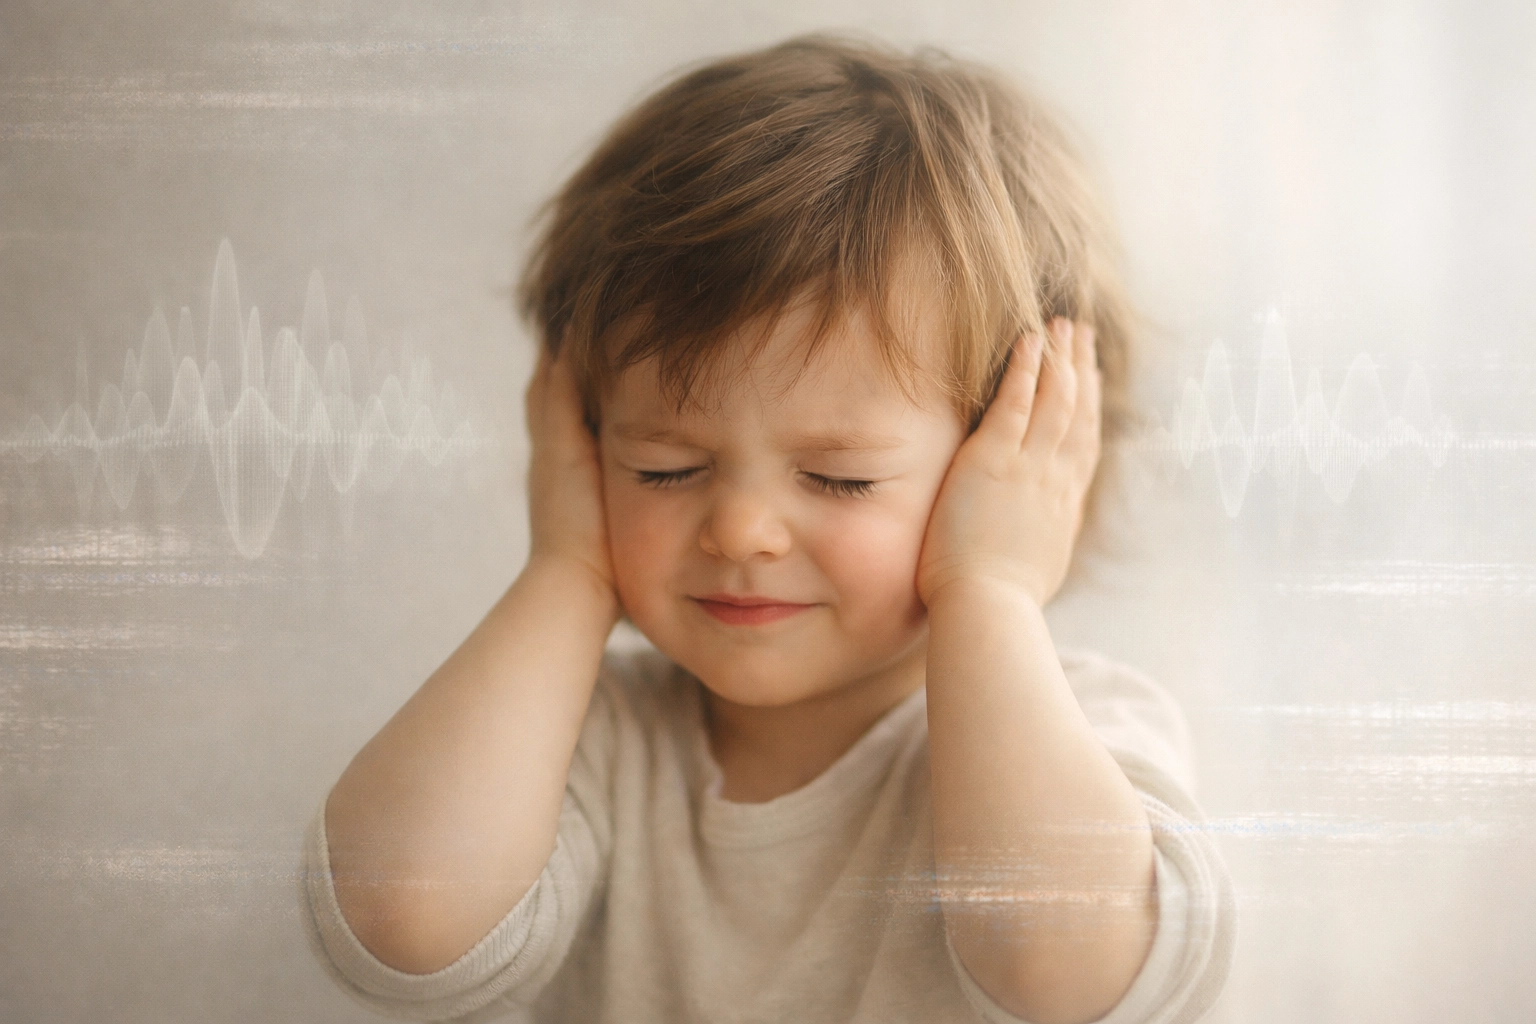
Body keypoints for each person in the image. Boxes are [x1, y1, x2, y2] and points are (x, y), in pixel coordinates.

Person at [300, 33, 1235, 1024]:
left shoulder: (1078, 729)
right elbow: (398, 918)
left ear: (1024, 471)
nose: (741, 528)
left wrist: (991, 590)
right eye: (665, 467)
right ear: (582, 443)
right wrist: (567, 569)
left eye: (838, 478)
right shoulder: (591, 736)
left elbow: (1066, 978)